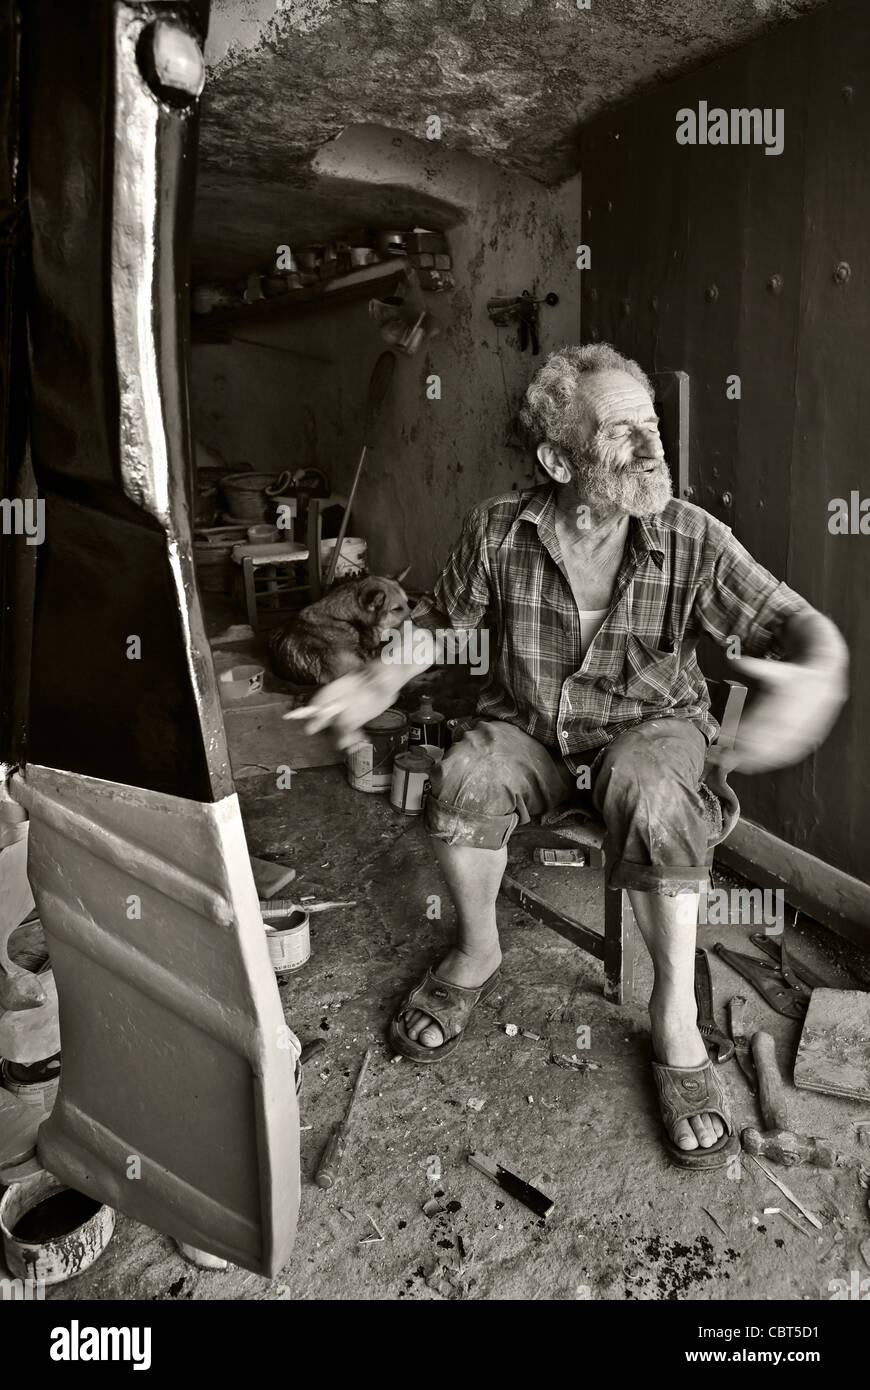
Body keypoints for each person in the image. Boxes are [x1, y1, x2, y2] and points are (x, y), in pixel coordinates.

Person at [289, 343, 848, 1168]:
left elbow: (796, 625)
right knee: (465, 775)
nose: (654, 449)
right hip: (533, 732)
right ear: (556, 458)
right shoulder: (496, 530)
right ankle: (478, 949)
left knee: (654, 790)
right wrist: (379, 683)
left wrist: (819, 670)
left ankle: (675, 1018)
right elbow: (440, 623)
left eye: (653, 425)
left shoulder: (692, 536)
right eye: (623, 431)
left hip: (649, 732)